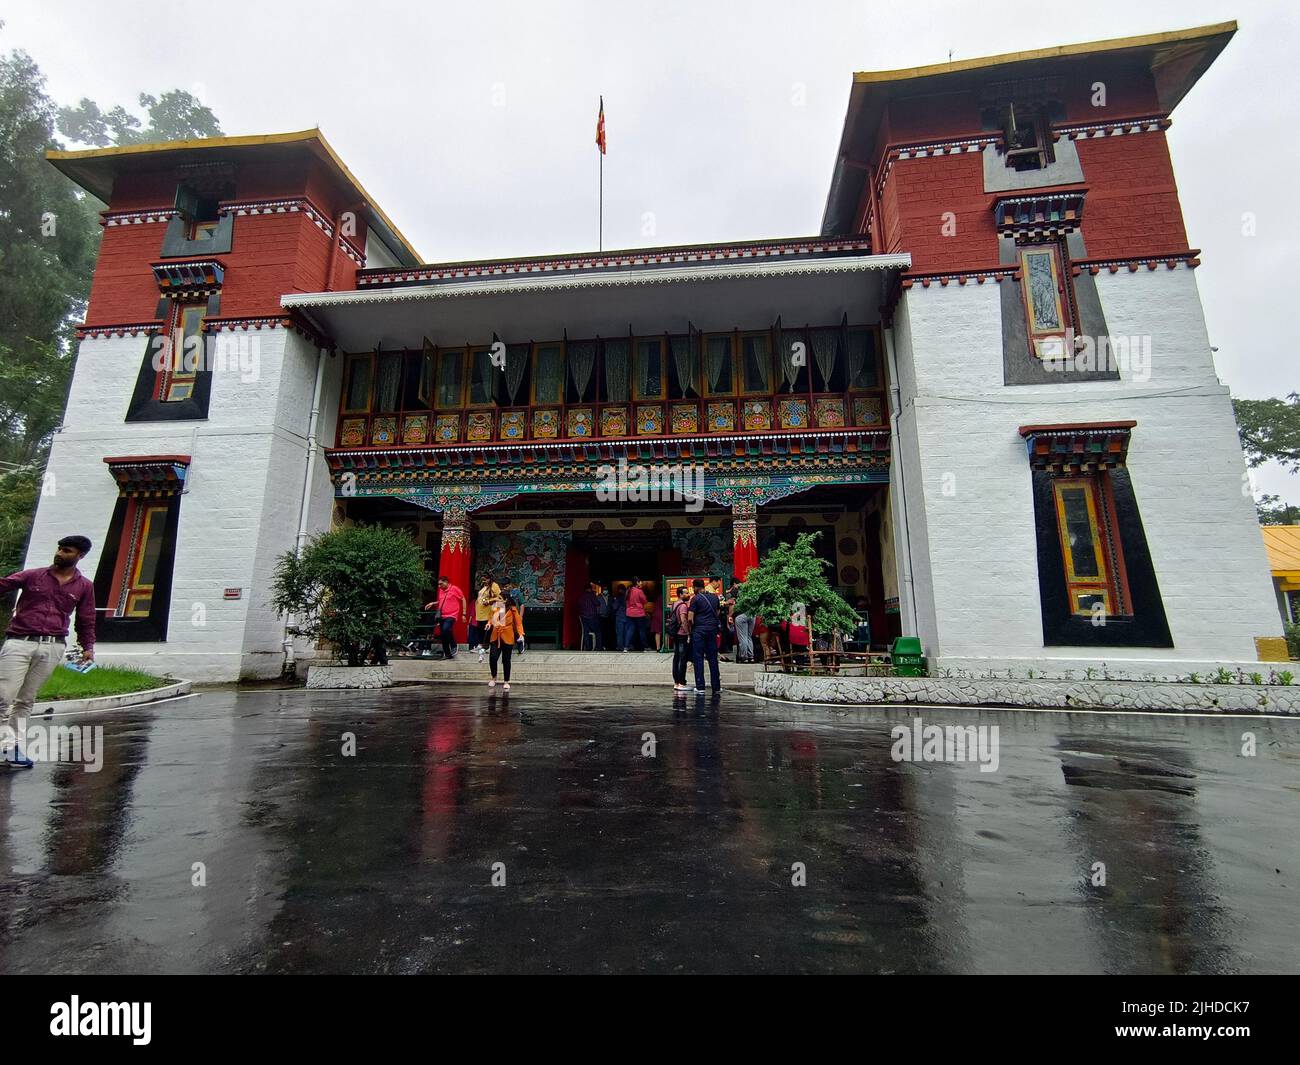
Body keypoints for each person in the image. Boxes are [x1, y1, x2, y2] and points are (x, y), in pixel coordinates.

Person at [0, 535, 97, 769]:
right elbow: (3, 584)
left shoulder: (84, 586)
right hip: (19, 641)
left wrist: (88, 647)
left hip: (53, 646)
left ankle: (10, 748)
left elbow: (86, 618)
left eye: (67, 550)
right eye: (60, 549)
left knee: (26, 700)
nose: (60, 553)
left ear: (80, 556)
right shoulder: (33, 575)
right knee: (3, 697)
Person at [686, 577, 722, 694]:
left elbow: (690, 618)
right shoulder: (714, 597)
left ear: (695, 587)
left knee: (698, 658)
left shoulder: (695, 599)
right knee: (713, 658)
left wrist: (691, 630)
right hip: (712, 630)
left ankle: (700, 686)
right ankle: (716, 687)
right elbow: (717, 613)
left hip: (699, 631)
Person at [487, 594, 525, 691]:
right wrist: (488, 624)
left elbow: (518, 622)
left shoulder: (512, 609)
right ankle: (494, 677)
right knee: (493, 657)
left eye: (499, 598)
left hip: (507, 635)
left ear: (505, 600)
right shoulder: (496, 607)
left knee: (506, 659)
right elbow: (491, 618)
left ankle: (506, 681)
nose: (497, 600)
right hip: (496, 634)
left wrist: (521, 633)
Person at [424, 576, 467, 659]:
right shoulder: (441, 590)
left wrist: (464, 613)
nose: (439, 586)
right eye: (438, 584)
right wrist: (433, 603)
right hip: (442, 615)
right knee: (443, 634)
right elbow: (442, 600)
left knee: (446, 629)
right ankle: (447, 654)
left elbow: (463, 599)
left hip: (452, 614)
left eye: (441, 584)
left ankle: (454, 645)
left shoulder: (454, 589)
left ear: (446, 582)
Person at [471, 575, 502, 663]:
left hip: (488, 611)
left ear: (489, 578)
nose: (484, 581)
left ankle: (486, 646)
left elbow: (499, 597)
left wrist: (489, 601)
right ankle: (481, 644)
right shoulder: (484, 587)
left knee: (487, 629)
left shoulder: (494, 585)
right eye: (483, 580)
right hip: (480, 612)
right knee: (480, 628)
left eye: (485, 579)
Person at [668, 585, 691, 692]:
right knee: (682, 659)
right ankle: (681, 682)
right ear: (681, 594)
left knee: (676, 657)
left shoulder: (674, 604)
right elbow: (683, 620)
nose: (688, 594)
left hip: (675, 634)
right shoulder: (683, 606)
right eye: (686, 593)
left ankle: (676, 682)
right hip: (681, 634)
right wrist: (688, 633)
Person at [732, 581, 756, 663]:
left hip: (741, 616)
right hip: (752, 615)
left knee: (743, 637)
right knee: (749, 637)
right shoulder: (752, 594)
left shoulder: (739, 595)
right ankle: (751, 656)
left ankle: (744, 657)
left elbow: (733, 606)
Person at [624, 577, 648, 652]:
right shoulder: (639, 591)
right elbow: (644, 601)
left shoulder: (628, 590)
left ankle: (626, 647)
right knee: (642, 630)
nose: (642, 583)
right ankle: (645, 647)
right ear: (637, 582)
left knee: (630, 630)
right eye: (641, 582)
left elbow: (626, 602)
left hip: (629, 613)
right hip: (639, 613)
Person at [578, 582, 603, 650]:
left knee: (586, 632)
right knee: (598, 631)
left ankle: (588, 647)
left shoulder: (581, 596)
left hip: (583, 617)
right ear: (590, 589)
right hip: (592, 617)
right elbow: (597, 603)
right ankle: (599, 647)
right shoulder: (592, 595)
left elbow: (579, 604)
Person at [613, 584, 628, 651]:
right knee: (626, 632)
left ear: (619, 589)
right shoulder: (627, 597)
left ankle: (620, 647)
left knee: (619, 633)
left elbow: (615, 607)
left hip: (619, 617)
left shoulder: (618, 597)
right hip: (627, 617)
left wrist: (613, 602)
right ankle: (627, 646)